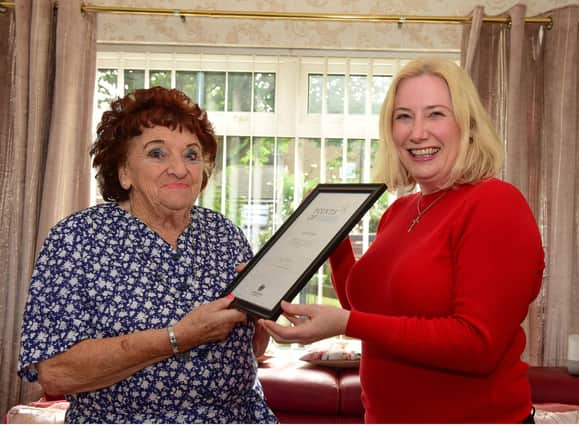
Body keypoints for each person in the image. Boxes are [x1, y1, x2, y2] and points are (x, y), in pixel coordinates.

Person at [260, 57, 544, 423]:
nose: (417, 132)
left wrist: (346, 323)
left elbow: (477, 346)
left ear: (467, 125)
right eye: (404, 116)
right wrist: (327, 236)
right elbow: (364, 308)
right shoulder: (400, 211)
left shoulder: (495, 203)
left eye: (436, 114)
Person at [18, 86, 277, 423]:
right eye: (158, 153)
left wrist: (262, 319)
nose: (180, 169)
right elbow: (55, 372)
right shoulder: (77, 238)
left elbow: (252, 351)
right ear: (124, 172)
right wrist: (178, 337)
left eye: (191, 154)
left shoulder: (224, 233)